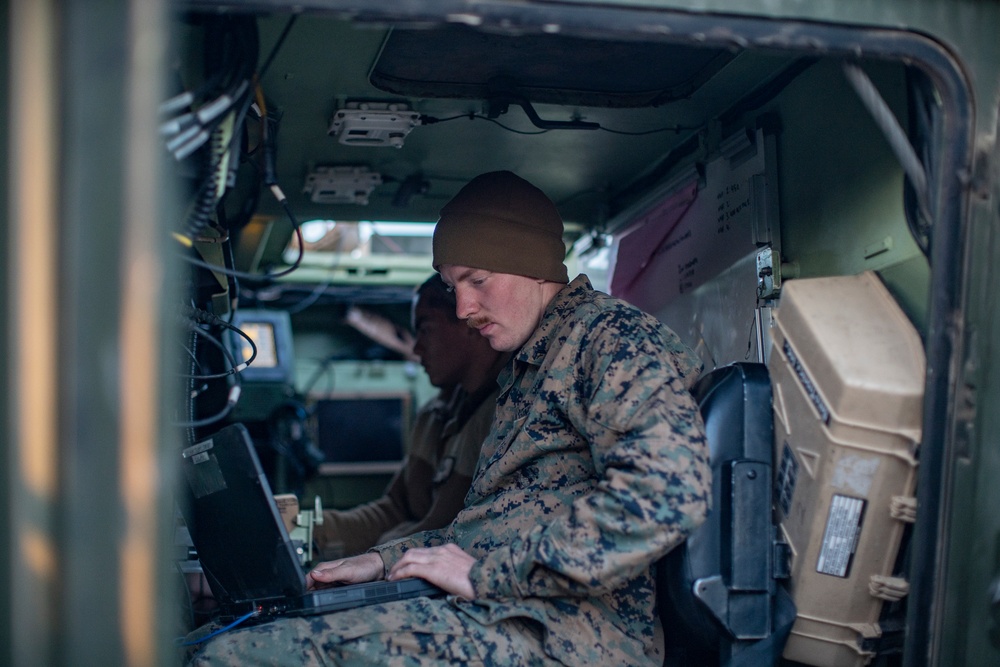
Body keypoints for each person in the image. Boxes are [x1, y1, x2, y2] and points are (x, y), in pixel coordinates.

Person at [187, 170, 711, 666]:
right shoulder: (529, 367)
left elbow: (666, 493)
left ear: (533, 265)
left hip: (572, 638)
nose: (463, 307)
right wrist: (384, 561)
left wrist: (490, 574)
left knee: (231, 657)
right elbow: (487, 530)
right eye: (452, 284)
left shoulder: (610, 338)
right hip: (509, 613)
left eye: (477, 279)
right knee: (239, 633)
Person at [312, 274, 508, 559]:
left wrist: (377, 561)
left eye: (425, 330)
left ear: (470, 324)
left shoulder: (503, 415)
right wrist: (310, 529)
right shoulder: (434, 415)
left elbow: (446, 530)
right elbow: (396, 509)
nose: (416, 349)